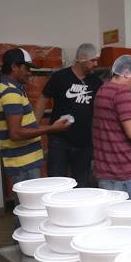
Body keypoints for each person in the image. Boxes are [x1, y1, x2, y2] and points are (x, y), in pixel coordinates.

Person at [0, 48, 71, 224]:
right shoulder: (10, 93)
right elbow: (15, 133)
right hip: (23, 165)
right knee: (29, 213)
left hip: (26, 162)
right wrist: (50, 128)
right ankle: (21, 246)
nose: (29, 73)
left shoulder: (14, 89)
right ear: (14, 67)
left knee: (28, 210)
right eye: (26, 68)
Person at [34, 43, 103, 187]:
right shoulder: (60, 77)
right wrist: (33, 127)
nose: (96, 64)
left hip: (84, 142)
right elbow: (43, 99)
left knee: (82, 185)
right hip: (60, 141)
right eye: (93, 60)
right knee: (57, 184)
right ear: (81, 60)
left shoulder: (96, 82)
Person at [92, 55, 131, 199]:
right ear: (126, 73)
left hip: (105, 171)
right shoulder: (122, 93)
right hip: (122, 172)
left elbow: (114, 126)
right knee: (128, 219)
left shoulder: (103, 89)